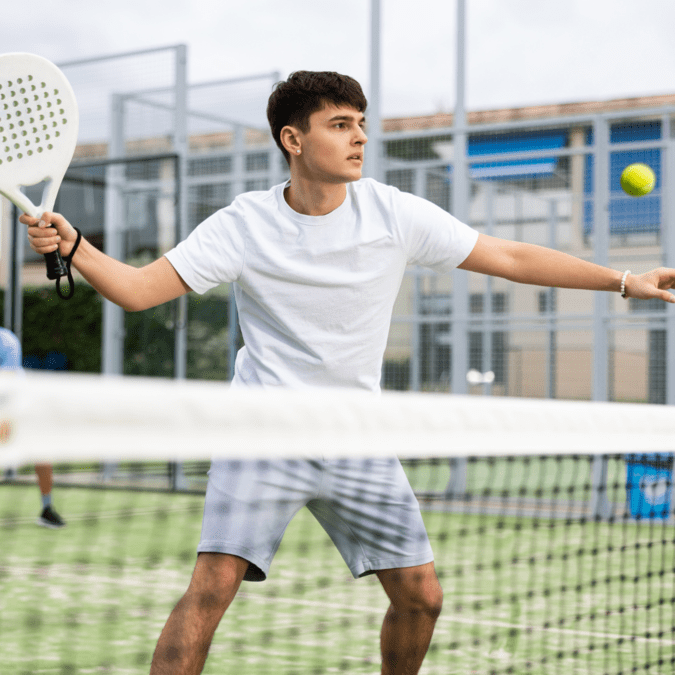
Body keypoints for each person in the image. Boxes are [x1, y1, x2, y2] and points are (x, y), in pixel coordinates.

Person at [22, 71, 675, 675]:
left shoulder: (394, 213)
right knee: (212, 587)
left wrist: (623, 279)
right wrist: (76, 245)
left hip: (356, 435)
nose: (359, 136)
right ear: (293, 138)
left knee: (421, 596)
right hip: (263, 435)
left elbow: (507, 254)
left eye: (361, 122)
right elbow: (138, 289)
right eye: (340, 123)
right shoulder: (243, 224)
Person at [0, 328, 66, 528]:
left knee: (43, 454)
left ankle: (47, 509)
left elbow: (7, 382)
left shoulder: (6, 341)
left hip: (18, 406)